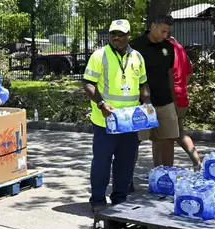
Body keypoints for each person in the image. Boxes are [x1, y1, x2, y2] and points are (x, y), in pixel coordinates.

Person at [83, 19, 151, 213]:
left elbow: (143, 84)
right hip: (105, 120)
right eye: (113, 34)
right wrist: (101, 103)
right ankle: (97, 199)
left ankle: (120, 198)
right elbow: (88, 83)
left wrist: (146, 101)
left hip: (129, 121)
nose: (116, 37)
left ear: (129, 35)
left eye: (121, 34)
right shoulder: (99, 55)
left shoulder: (137, 57)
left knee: (125, 162)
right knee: (102, 162)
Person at [130, 15, 179, 167]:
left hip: (165, 101)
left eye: (168, 32)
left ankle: (166, 175)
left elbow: (170, 73)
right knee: (134, 141)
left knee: (168, 138)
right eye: (163, 31)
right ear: (153, 26)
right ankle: (126, 178)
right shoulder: (135, 46)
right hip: (140, 103)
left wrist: (174, 98)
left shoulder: (169, 47)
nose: (165, 35)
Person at [169, 35, 202, 170]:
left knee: (167, 136)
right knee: (177, 133)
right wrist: (181, 86)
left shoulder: (164, 50)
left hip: (170, 98)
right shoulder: (181, 49)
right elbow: (189, 73)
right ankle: (197, 162)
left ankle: (163, 170)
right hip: (182, 97)